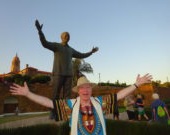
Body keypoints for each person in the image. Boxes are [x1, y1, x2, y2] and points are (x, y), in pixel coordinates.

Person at [10, 74, 152, 135]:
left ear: (91, 90)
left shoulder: (99, 102)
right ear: (78, 91)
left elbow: (119, 95)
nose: (85, 90)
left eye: (88, 87)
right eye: (82, 88)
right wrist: (28, 94)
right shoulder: (72, 105)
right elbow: (49, 103)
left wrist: (136, 84)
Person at [35, 20, 99, 99]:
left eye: (68, 36)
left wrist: (91, 52)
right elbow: (44, 43)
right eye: (65, 35)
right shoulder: (56, 46)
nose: (66, 37)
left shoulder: (70, 50)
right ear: (61, 37)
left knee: (67, 96)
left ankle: (66, 110)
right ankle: (54, 111)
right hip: (58, 74)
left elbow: (81, 55)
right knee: (56, 94)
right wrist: (40, 31)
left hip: (69, 75)